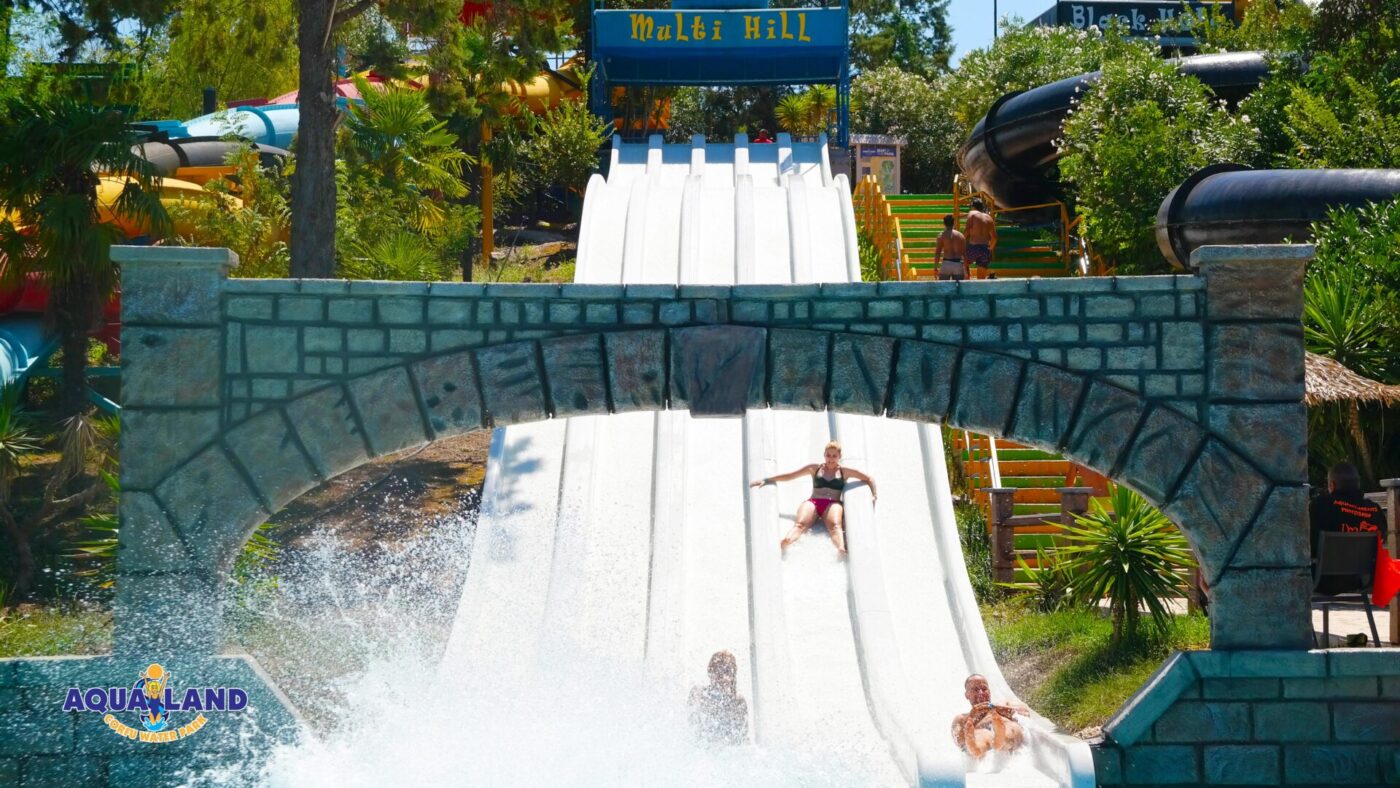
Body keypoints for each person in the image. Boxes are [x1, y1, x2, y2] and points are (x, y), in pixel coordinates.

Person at [750, 440, 876, 555]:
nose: (831, 459)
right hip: (814, 502)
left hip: (833, 503)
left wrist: (874, 495)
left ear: (839, 457)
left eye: (834, 456)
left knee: (835, 526)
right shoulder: (814, 468)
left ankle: (841, 548)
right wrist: (767, 479)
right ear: (824, 455)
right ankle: (786, 541)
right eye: (828, 455)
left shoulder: (845, 471)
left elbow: (869, 478)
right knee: (800, 525)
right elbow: (790, 476)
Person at [1309, 461, 1386, 595]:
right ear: (1358, 484)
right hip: (1360, 580)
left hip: (1322, 581)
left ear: (1332, 485)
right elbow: (1382, 540)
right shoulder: (1375, 510)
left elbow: (1308, 542)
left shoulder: (1320, 505)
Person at [951, 674, 1028, 759]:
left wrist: (995, 708)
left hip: (1006, 728)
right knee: (980, 735)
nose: (981, 693)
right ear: (967, 695)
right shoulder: (961, 718)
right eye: (975, 689)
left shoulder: (1004, 704)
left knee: (1010, 727)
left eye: (984, 689)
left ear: (989, 692)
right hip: (983, 734)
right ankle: (976, 748)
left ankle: (1001, 739)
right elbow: (958, 740)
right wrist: (972, 716)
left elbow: (1025, 712)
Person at [688, 651, 749, 746]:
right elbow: (690, 728)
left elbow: (741, 738)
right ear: (710, 672)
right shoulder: (698, 694)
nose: (723, 677)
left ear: (733, 676)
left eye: (727, 672)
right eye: (718, 671)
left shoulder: (738, 702)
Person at [964, 198, 994, 280]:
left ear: (973, 207)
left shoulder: (972, 213)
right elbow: (994, 238)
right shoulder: (989, 217)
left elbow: (967, 231)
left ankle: (967, 278)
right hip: (985, 249)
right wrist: (990, 248)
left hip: (973, 247)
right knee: (981, 280)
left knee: (962, 261)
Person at [934, 214, 967, 281]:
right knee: (958, 287)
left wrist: (935, 267)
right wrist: (966, 270)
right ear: (954, 223)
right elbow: (964, 254)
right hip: (958, 264)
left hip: (946, 263)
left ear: (944, 223)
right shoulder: (961, 236)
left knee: (943, 286)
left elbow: (938, 253)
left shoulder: (941, 236)